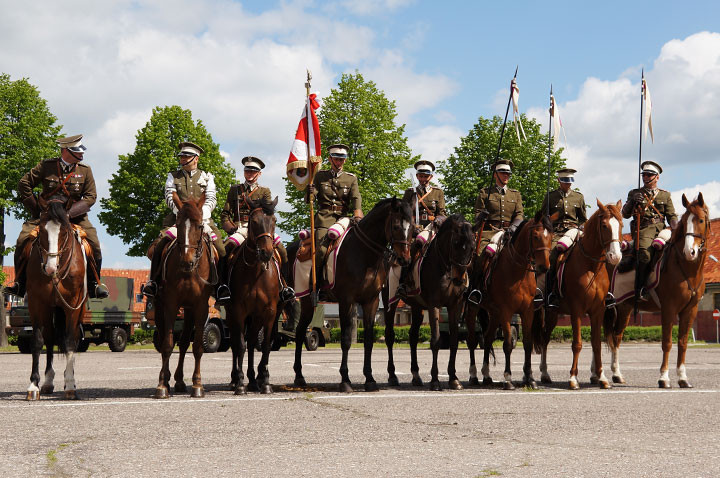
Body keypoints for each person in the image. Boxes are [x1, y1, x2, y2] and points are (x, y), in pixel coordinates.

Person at [5, 134, 108, 299]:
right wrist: (36, 209)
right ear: (66, 151)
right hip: (46, 216)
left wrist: (68, 213)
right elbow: (24, 183)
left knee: (94, 243)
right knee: (22, 240)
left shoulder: (85, 170)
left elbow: (90, 197)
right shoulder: (47, 166)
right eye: (77, 152)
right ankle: (20, 284)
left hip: (74, 216)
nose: (82, 155)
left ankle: (94, 284)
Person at [142, 142, 229, 301]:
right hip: (178, 221)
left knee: (221, 250)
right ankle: (153, 282)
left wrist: (201, 214)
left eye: (186, 156)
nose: (182, 159)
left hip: (202, 220)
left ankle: (220, 286)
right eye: (182, 156)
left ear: (195, 158)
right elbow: (169, 196)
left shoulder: (207, 177)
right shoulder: (173, 176)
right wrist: (182, 213)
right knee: (158, 246)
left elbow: (211, 199)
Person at [220, 156, 294, 303]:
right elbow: (225, 214)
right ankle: (223, 286)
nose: (250, 174)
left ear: (259, 174)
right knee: (225, 250)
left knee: (283, 251)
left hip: (260, 228)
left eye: (253, 171)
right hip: (240, 228)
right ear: (244, 172)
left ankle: (285, 286)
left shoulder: (265, 191)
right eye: (247, 170)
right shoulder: (235, 190)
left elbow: (268, 212)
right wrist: (230, 228)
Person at [468, 159, 524, 303]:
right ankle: (476, 289)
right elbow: (477, 216)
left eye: (508, 174)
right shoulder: (485, 193)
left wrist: (514, 227)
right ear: (495, 175)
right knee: (481, 257)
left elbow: (519, 214)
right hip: (489, 232)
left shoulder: (515, 194)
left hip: (509, 232)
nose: (506, 176)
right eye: (502, 173)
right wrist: (482, 215)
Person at [621, 160, 677, 299]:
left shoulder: (665, 195)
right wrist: (633, 201)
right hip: (644, 228)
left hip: (662, 229)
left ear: (657, 177)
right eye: (644, 175)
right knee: (645, 253)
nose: (645, 178)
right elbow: (625, 214)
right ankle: (640, 287)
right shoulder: (634, 193)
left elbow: (671, 215)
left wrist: (676, 227)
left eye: (649, 175)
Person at [306, 143, 362, 278]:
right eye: (336, 159)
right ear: (330, 159)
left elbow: (355, 197)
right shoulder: (320, 176)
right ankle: (316, 282)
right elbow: (311, 199)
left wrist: (358, 213)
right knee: (321, 251)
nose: (339, 162)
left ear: (345, 160)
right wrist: (310, 192)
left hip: (343, 218)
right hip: (325, 219)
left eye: (341, 159)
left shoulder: (351, 178)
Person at [540, 168, 587, 307]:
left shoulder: (579, 197)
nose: (568, 185)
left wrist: (582, 228)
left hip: (574, 231)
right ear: (559, 181)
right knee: (552, 256)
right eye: (565, 182)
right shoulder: (550, 196)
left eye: (570, 182)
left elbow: (583, 219)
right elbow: (542, 218)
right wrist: (548, 221)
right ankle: (551, 292)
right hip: (557, 233)